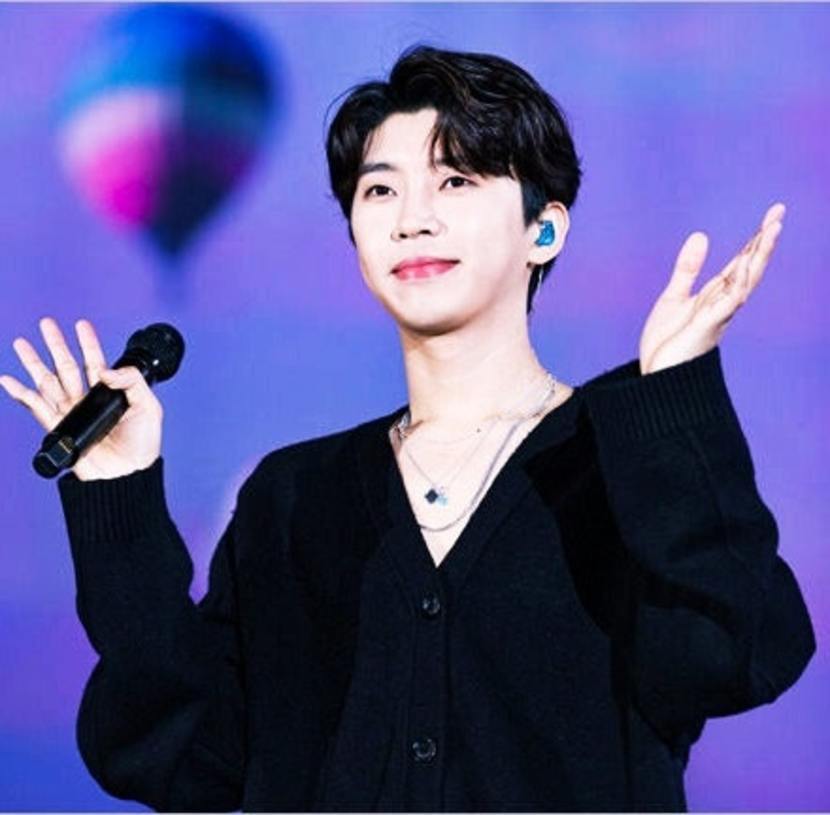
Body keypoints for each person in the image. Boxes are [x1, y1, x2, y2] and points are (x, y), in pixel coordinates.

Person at [0, 44, 815, 812]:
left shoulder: (621, 459)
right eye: (380, 191)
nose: (412, 218)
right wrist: (120, 506)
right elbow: (183, 755)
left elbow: (742, 651)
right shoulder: (293, 496)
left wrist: (672, 396)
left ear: (543, 228)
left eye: (455, 180)